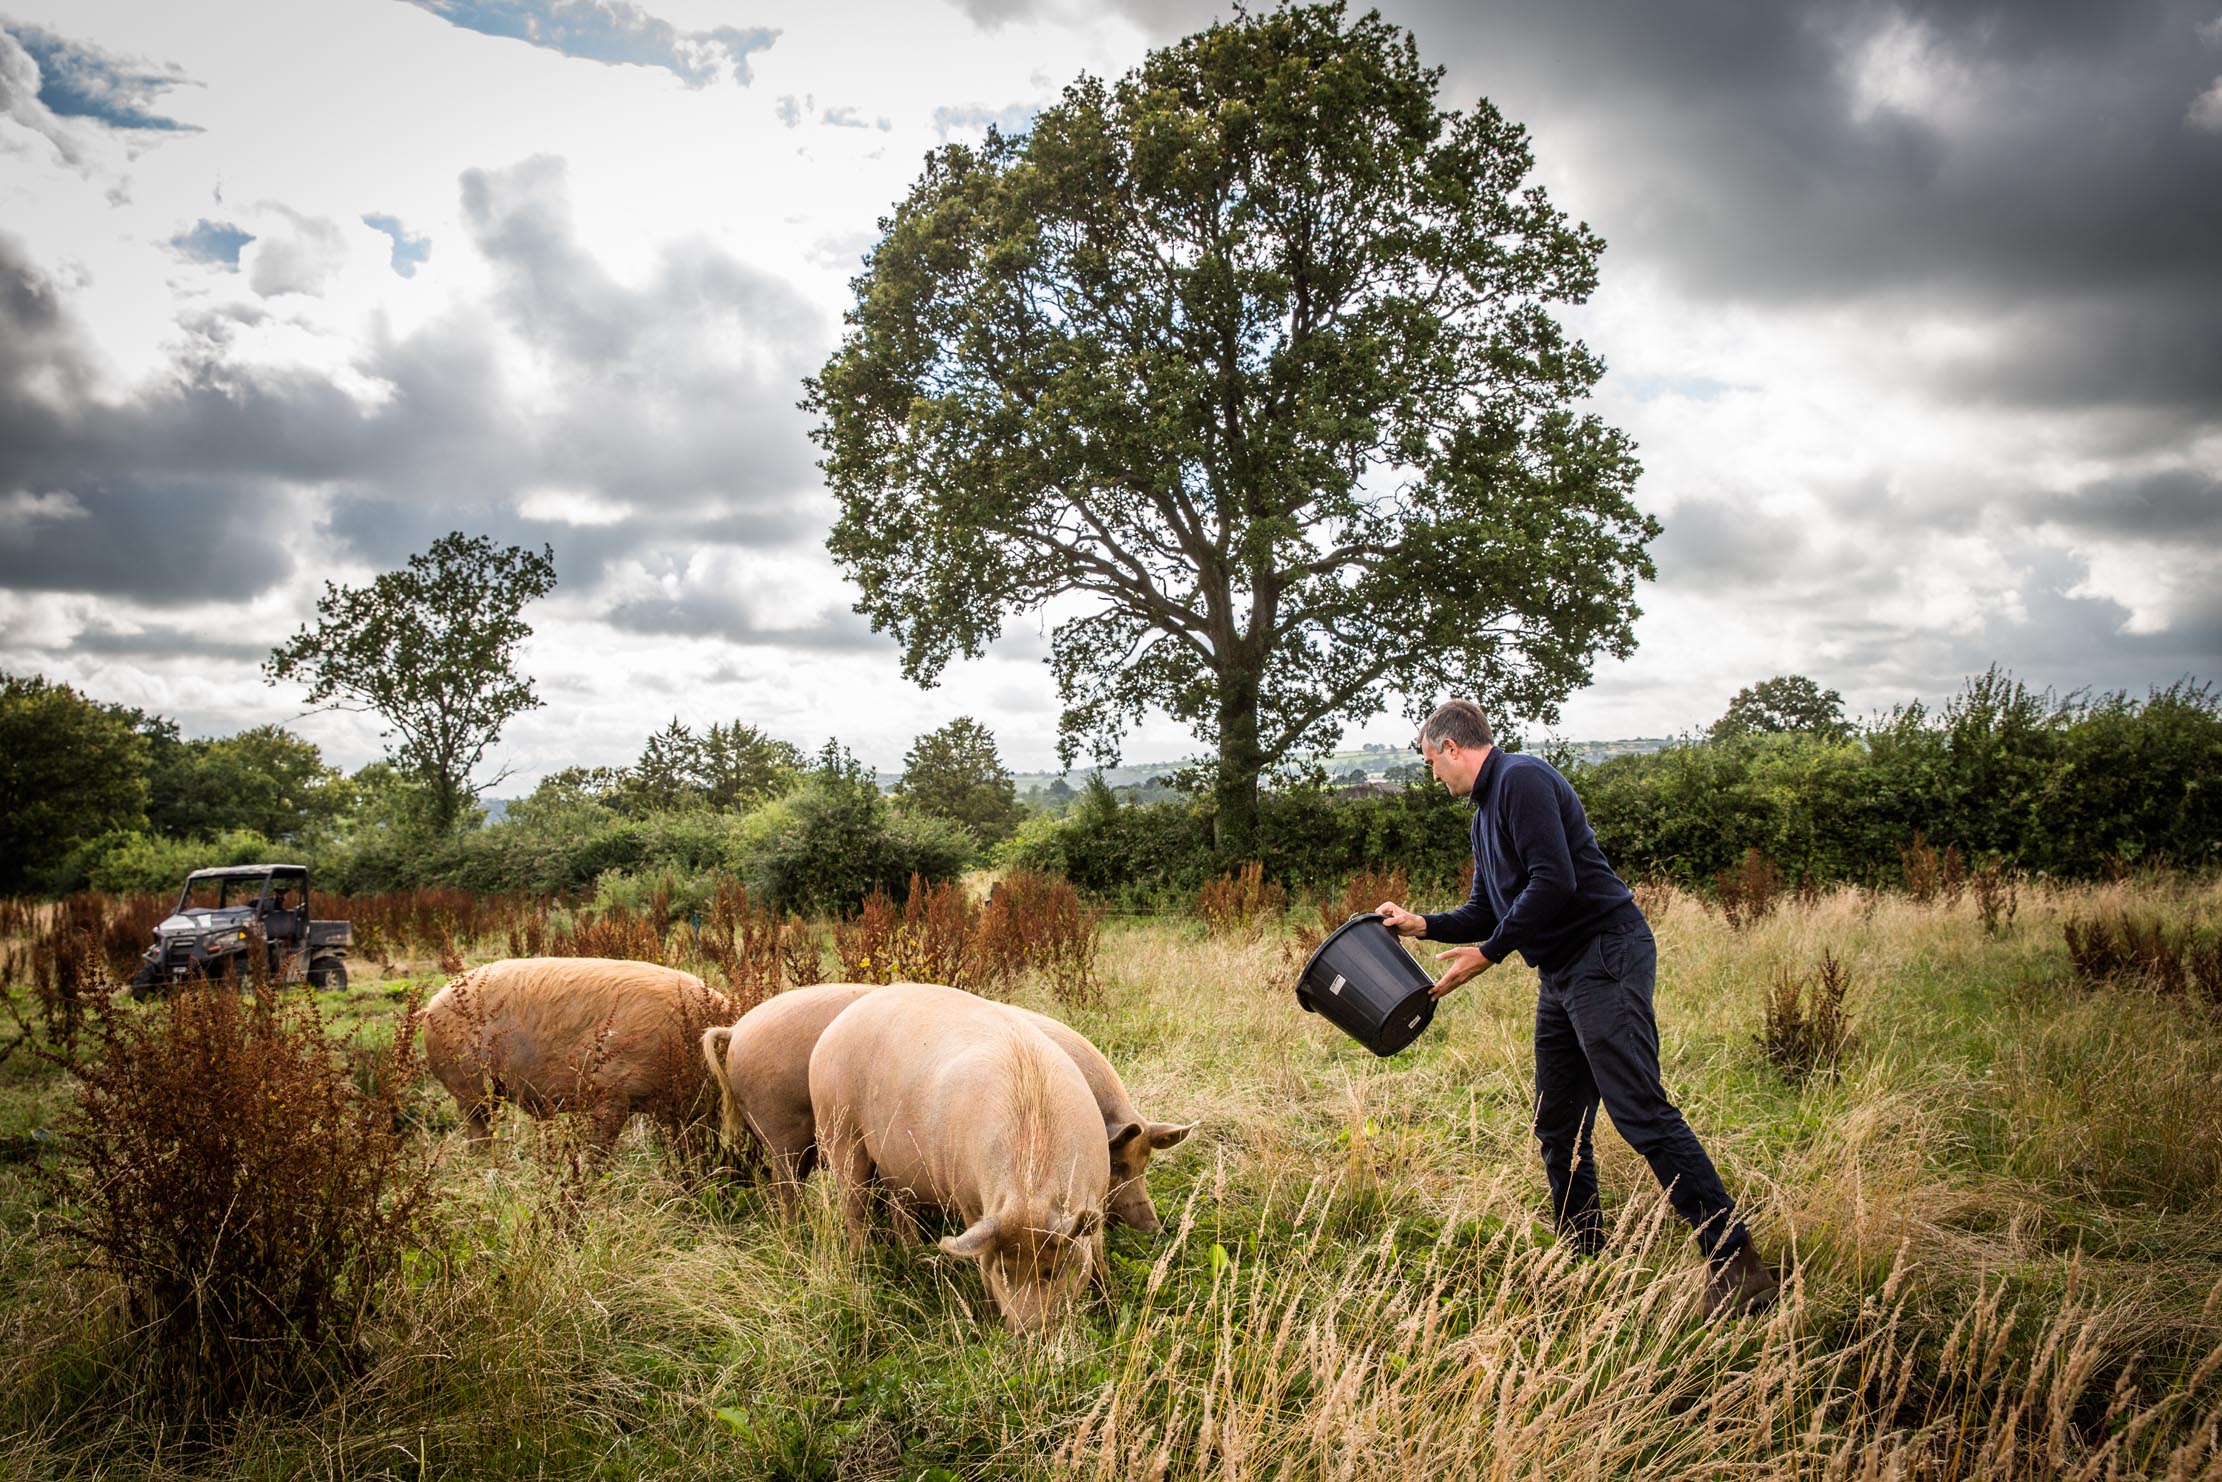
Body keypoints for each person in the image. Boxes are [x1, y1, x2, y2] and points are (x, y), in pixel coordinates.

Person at [1376, 699, 1779, 1316]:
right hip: (1561, 972)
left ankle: (1737, 1265)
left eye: (1432, 763)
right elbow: (1489, 908)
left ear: (1453, 748)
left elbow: (1554, 880)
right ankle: (1584, 1253)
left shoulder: (1522, 780)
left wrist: (1489, 954)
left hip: (1605, 954)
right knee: (1556, 1120)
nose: (1434, 777)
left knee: (1639, 1110)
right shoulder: (1485, 814)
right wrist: (1421, 924)